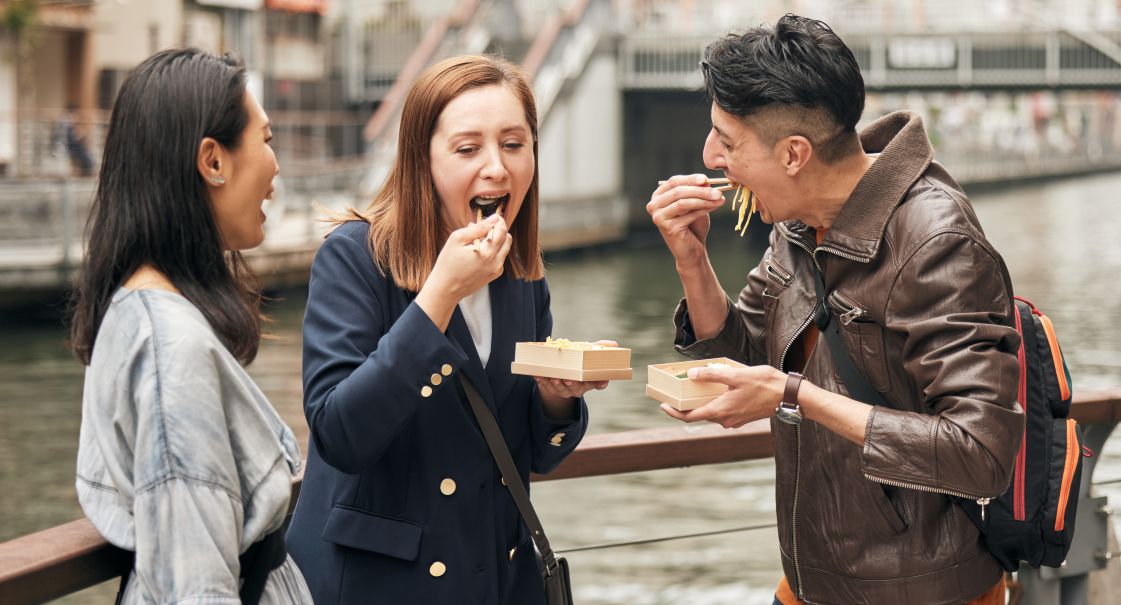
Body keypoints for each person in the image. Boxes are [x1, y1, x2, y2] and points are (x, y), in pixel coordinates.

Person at [646, 15, 1022, 605]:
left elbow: (981, 453)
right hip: (812, 583)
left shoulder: (937, 242)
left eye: (727, 139)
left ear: (795, 153)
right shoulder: (796, 222)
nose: (710, 155)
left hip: (926, 592)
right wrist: (690, 259)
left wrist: (795, 396)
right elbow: (743, 359)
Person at [286, 54, 603, 604]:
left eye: (513, 144)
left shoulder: (523, 274)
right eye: (467, 149)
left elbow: (533, 456)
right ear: (422, 160)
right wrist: (439, 296)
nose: (496, 168)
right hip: (381, 583)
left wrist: (555, 399)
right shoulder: (356, 258)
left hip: (491, 576)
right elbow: (339, 433)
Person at [70, 48, 311, 604]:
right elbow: (194, 585)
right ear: (213, 160)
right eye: (266, 140)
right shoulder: (170, 349)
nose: (275, 168)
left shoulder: (139, 311)